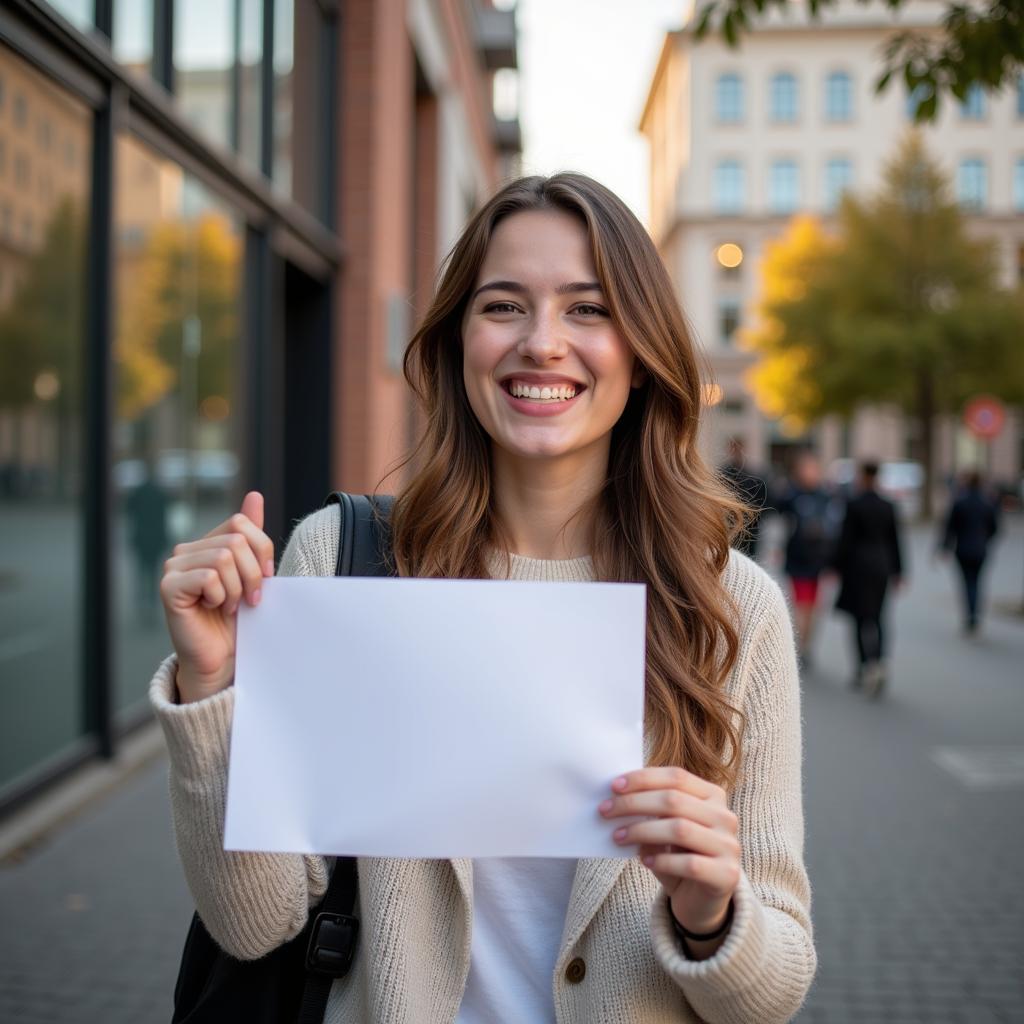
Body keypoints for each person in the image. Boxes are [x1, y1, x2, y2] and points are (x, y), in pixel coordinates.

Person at [153, 173, 815, 1022]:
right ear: (457, 338)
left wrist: (710, 913)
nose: (542, 343)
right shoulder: (347, 563)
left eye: (588, 309)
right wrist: (212, 685)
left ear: (644, 353)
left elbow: (775, 988)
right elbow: (253, 923)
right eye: (503, 305)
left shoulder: (731, 606)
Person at [832, 461, 903, 698]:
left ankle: (863, 666)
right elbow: (896, 540)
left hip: (857, 567)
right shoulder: (888, 505)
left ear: (863, 476)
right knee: (880, 616)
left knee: (859, 618)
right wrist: (899, 571)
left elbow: (845, 539)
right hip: (882, 565)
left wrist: (835, 565)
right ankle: (880, 661)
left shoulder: (853, 504)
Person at [776, 451, 836, 668]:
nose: (810, 473)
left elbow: (834, 525)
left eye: (813, 468)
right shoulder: (793, 494)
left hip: (819, 558)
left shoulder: (824, 495)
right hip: (798, 557)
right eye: (806, 468)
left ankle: (806, 645)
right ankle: (800, 646)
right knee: (801, 604)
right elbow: (779, 512)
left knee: (814, 606)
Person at [939, 470, 999, 634]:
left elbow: (949, 527)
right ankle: (974, 614)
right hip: (980, 549)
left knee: (967, 582)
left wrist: (944, 547)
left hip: (963, 549)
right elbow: (995, 527)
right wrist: (985, 540)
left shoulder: (960, 502)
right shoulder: (988, 503)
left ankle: (970, 615)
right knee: (977, 582)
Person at [719, 437, 768, 560]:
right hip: (729, 526)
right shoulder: (722, 475)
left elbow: (762, 501)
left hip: (750, 528)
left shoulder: (754, 475)